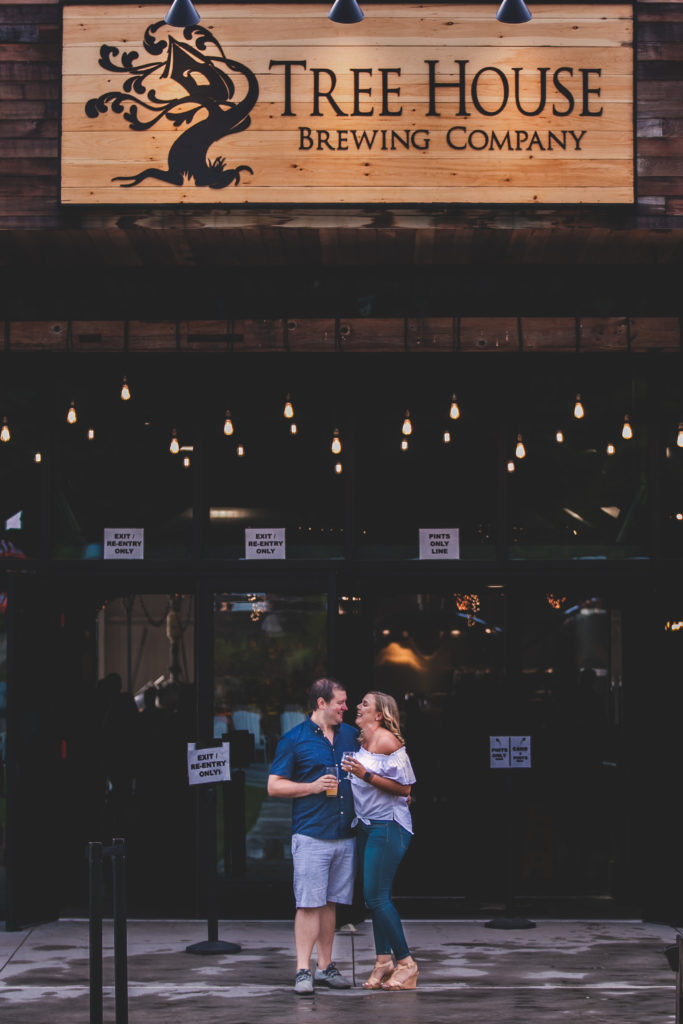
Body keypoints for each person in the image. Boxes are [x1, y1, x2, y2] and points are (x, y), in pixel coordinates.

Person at [268, 677, 359, 995]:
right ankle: (302, 970)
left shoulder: (351, 735)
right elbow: (274, 785)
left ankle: (326, 966)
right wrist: (311, 787)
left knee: (331, 904)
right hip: (311, 835)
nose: (346, 708)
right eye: (341, 702)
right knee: (308, 904)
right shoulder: (294, 739)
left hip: (344, 835)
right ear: (321, 703)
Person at [341, 691, 418, 991]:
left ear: (379, 715)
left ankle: (407, 964)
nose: (358, 708)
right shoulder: (364, 742)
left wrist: (366, 775)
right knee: (376, 897)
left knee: (376, 898)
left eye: (364, 704)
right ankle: (382, 960)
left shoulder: (387, 740)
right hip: (367, 826)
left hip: (388, 828)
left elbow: (406, 786)